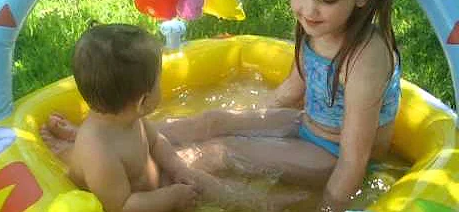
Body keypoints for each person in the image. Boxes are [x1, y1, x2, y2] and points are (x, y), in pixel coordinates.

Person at [159, 0, 401, 211]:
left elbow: (355, 159)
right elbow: (290, 91)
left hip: (333, 155)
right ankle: (135, 138)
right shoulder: (320, 29)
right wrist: (252, 119)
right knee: (211, 121)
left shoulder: (366, 59)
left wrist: (328, 206)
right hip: (307, 125)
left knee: (220, 153)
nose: (309, 10)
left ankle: (149, 190)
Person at [40, 24, 307, 212]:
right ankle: (263, 205)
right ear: (143, 101)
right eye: (159, 81)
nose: (162, 86)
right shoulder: (100, 152)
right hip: (143, 202)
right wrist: (170, 198)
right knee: (205, 191)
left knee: (202, 181)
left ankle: (258, 202)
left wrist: (180, 170)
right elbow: (122, 206)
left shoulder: (130, 118)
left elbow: (157, 144)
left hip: (155, 187)